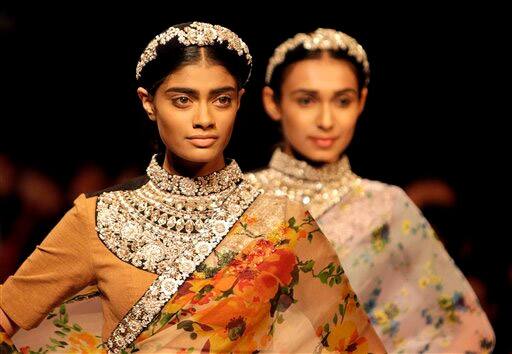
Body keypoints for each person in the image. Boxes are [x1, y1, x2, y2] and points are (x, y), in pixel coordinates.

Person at [0, 22, 385, 353]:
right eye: (182, 100)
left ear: (239, 103)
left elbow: (355, 342)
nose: (204, 118)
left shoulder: (283, 223)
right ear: (149, 103)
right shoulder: (100, 218)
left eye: (221, 99)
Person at [247, 28, 495, 353]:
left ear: (361, 101)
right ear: (273, 102)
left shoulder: (385, 207)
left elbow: (469, 331)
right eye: (306, 100)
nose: (326, 119)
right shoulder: (240, 199)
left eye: (342, 101)